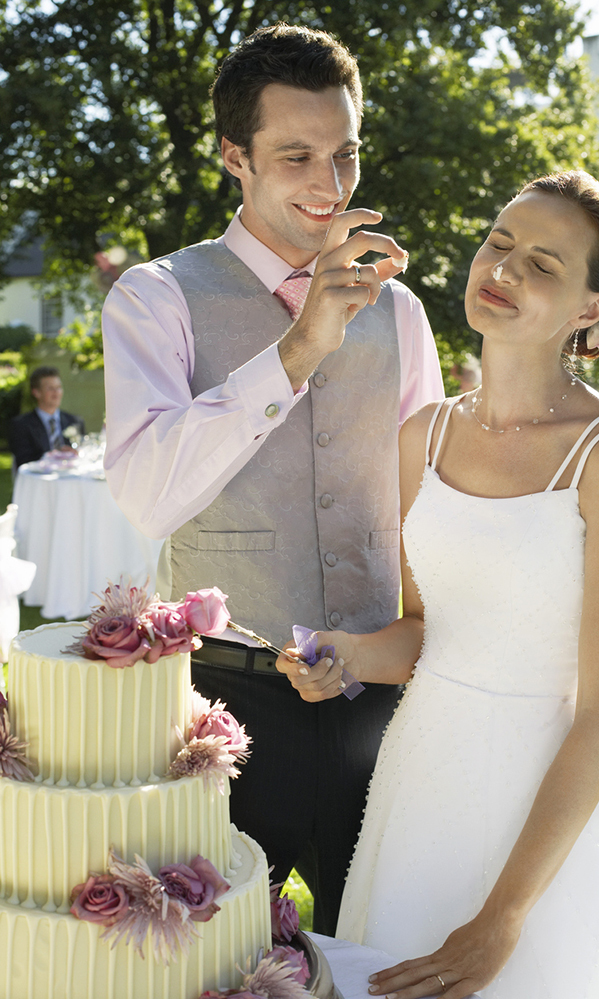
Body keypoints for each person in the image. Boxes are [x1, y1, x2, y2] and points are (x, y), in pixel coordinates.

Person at [278, 170, 599, 997]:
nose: (505, 269)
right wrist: (344, 655)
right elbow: (426, 632)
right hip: (418, 784)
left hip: (541, 808)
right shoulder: (425, 434)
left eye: (545, 265)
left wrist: (506, 917)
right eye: (500, 242)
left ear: (591, 308)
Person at [101, 23, 443, 934]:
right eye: (297, 156)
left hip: (385, 698)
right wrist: (295, 353)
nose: (331, 187)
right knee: (218, 955)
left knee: (381, 951)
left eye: (346, 155)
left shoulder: (402, 312)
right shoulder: (155, 295)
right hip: (227, 699)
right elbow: (145, 492)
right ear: (232, 157)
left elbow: (431, 507)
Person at [9, 366, 84, 469]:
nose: (56, 392)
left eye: (58, 387)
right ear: (36, 392)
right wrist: (54, 456)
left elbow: (84, 453)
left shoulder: (75, 421)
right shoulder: (21, 425)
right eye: (50, 388)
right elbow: (23, 461)